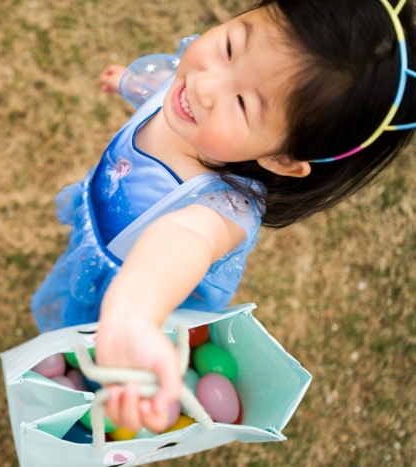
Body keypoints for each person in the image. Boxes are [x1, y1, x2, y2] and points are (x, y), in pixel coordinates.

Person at [31, 0, 416, 434]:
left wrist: (134, 315)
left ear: (281, 158)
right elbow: (158, 84)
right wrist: (127, 80)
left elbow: (182, 239)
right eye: (232, 46)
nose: (207, 85)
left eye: (243, 104)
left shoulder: (223, 207)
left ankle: (89, 363)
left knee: (91, 328)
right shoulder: (184, 87)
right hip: (100, 239)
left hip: (140, 284)